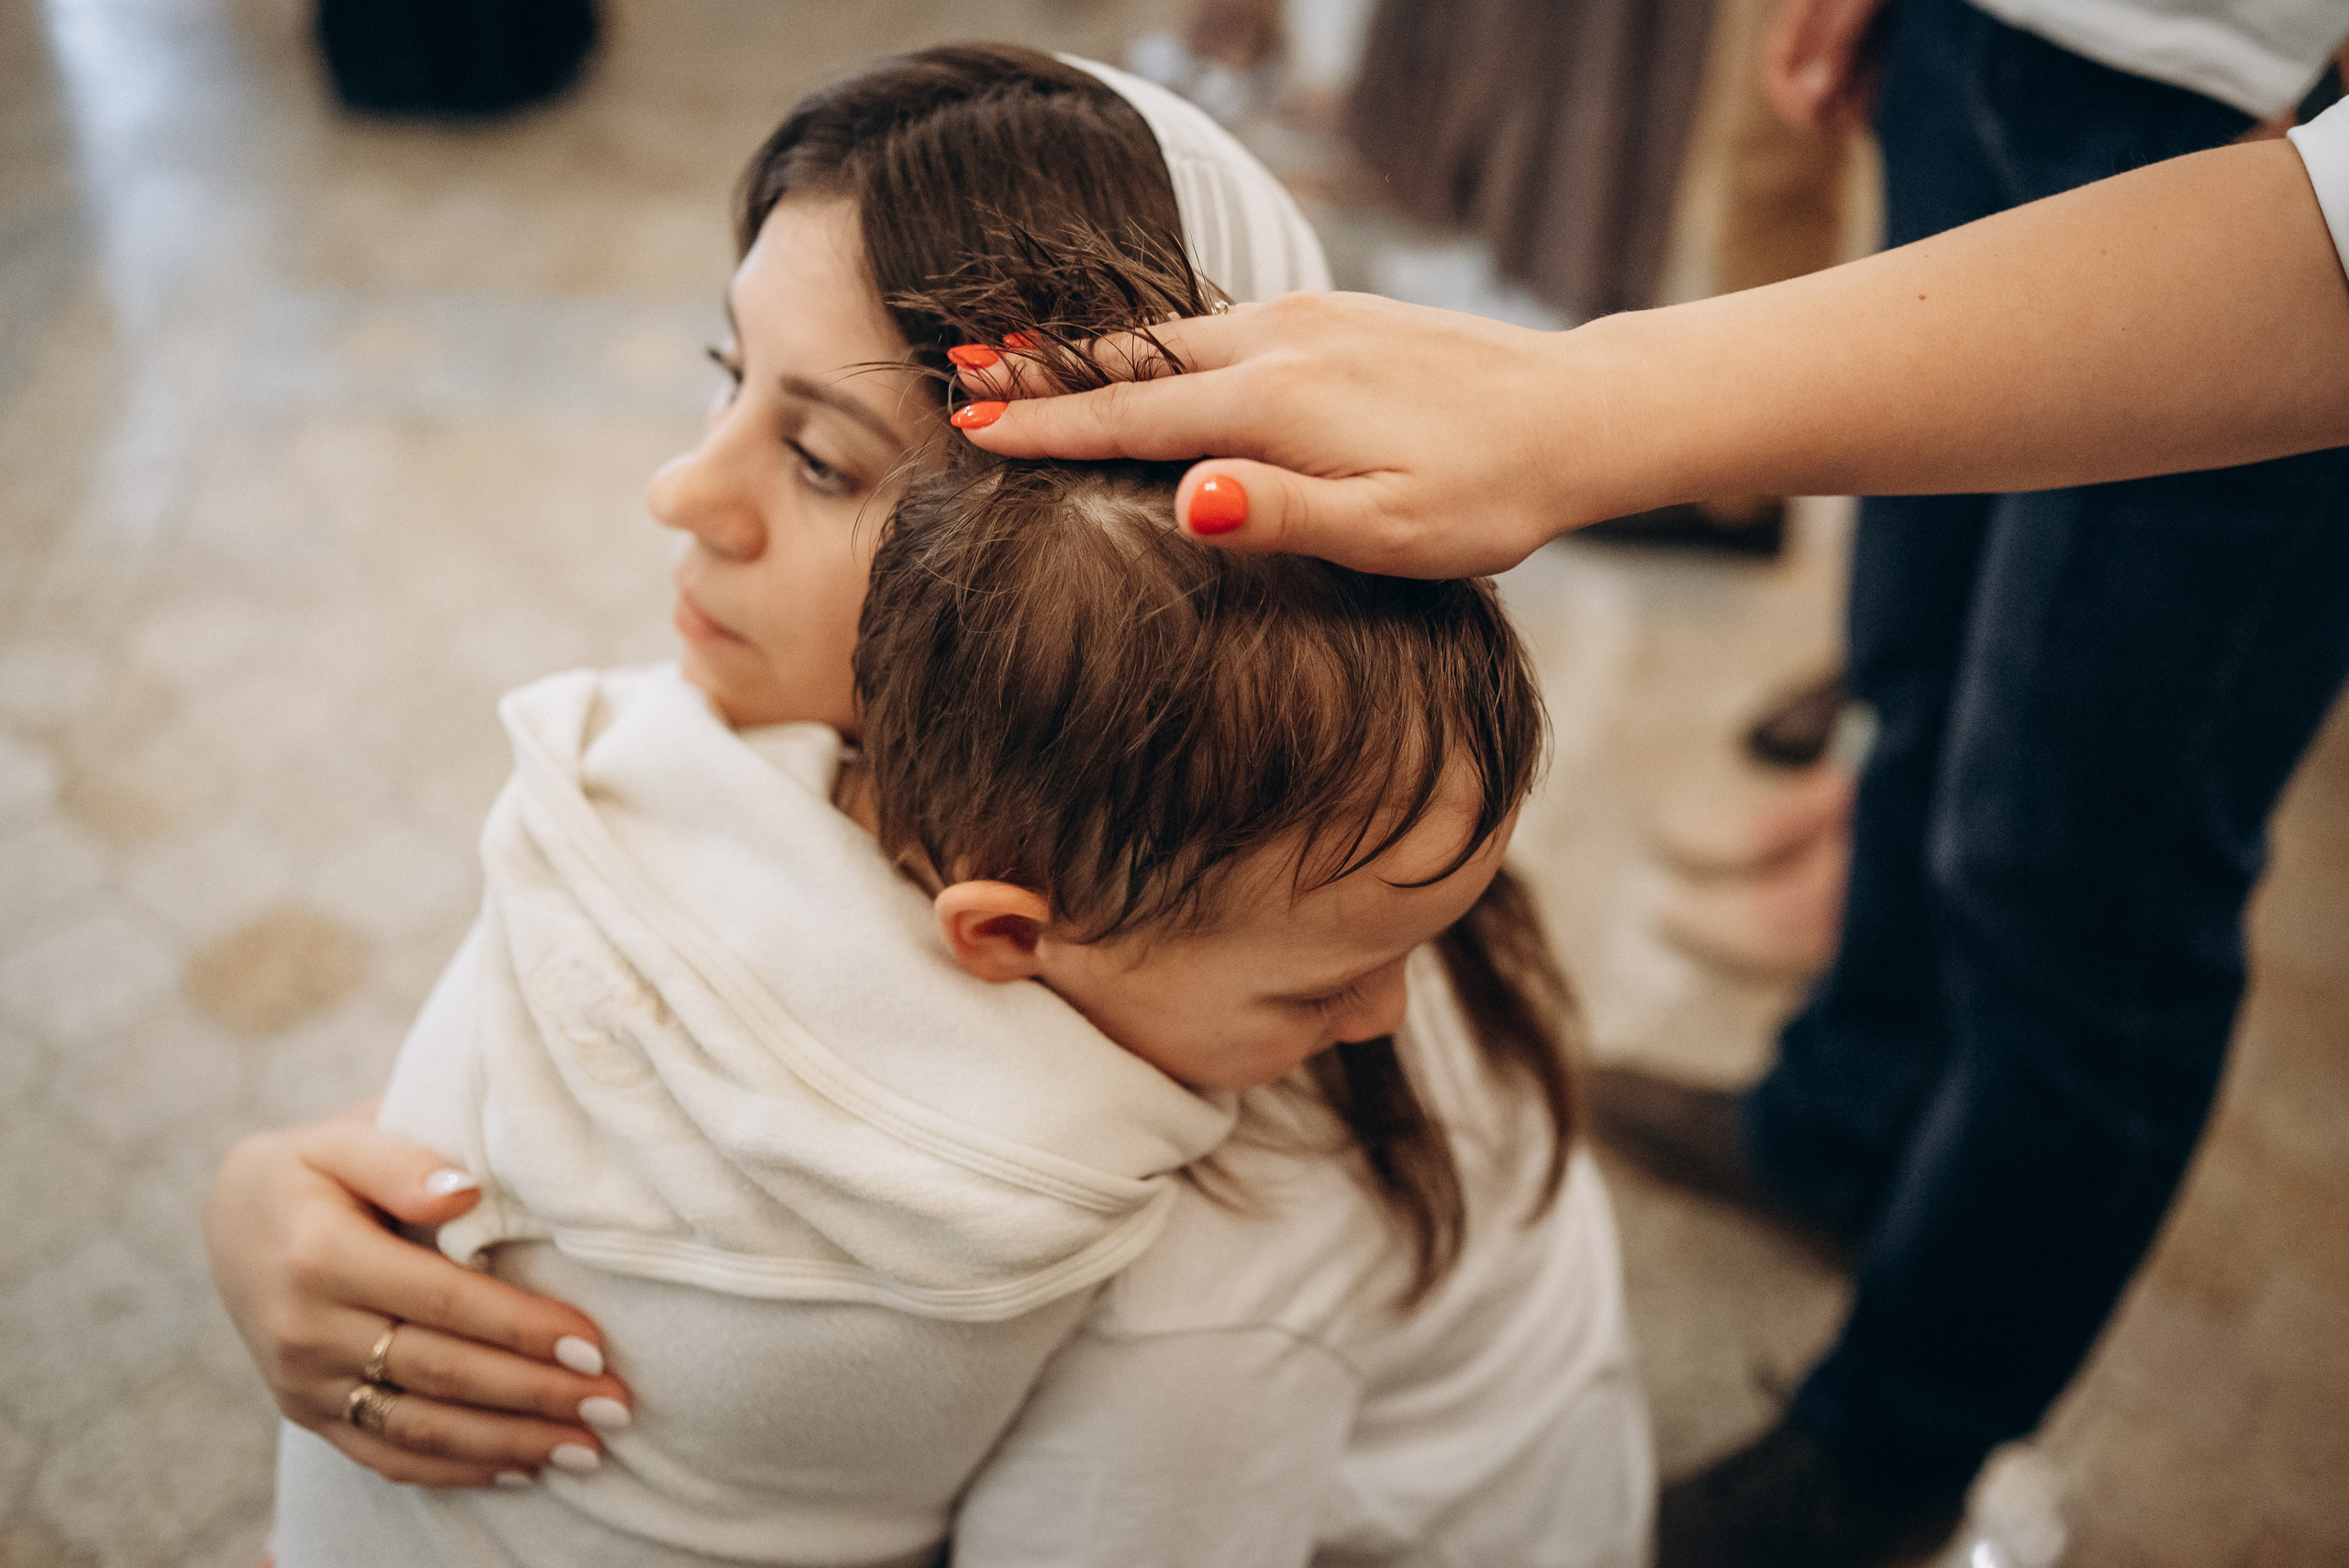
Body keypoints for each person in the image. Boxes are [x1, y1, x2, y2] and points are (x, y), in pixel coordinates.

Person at [223, 44, 1654, 1568]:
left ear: (1132, 571)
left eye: (823, 458)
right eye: (729, 379)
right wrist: (283, 1205)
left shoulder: (1218, 1175)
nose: (681, 492)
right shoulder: (1028, 814)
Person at [953, 38, 2349, 1568]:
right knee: (1913, 665)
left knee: (2082, 870)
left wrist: (1583, 405)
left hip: (2280, 97)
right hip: (1993, 39)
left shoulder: (1219, 1341)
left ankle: (1903, 1448)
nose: (1385, 1017)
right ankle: (1846, 1110)